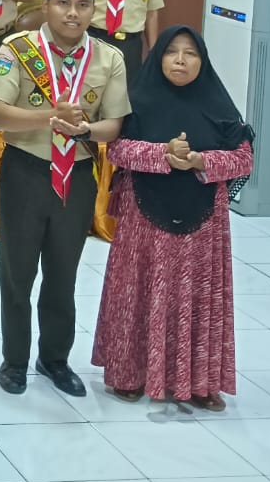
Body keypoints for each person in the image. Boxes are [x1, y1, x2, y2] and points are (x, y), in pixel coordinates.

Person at [0, 0, 130, 398]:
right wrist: (50, 117)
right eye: (63, 3)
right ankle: (14, 360)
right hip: (25, 170)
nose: (72, 13)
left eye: (83, 5)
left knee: (64, 273)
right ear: (46, 6)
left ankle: (55, 359)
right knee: (18, 272)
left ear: (93, 11)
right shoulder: (18, 48)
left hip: (77, 176)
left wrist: (85, 130)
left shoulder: (108, 58)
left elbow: (115, 124)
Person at [92, 27, 253, 410]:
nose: (180, 60)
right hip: (143, 217)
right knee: (138, 291)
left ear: (203, 61)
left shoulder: (218, 104)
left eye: (190, 54)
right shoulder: (138, 100)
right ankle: (129, 374)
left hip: (203, 223)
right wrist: (162, 154)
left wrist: (201, 160)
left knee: (198, 297)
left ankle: (199, 383)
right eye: (172, 52)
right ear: (158, 57)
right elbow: (117, 150)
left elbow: (243, 158)